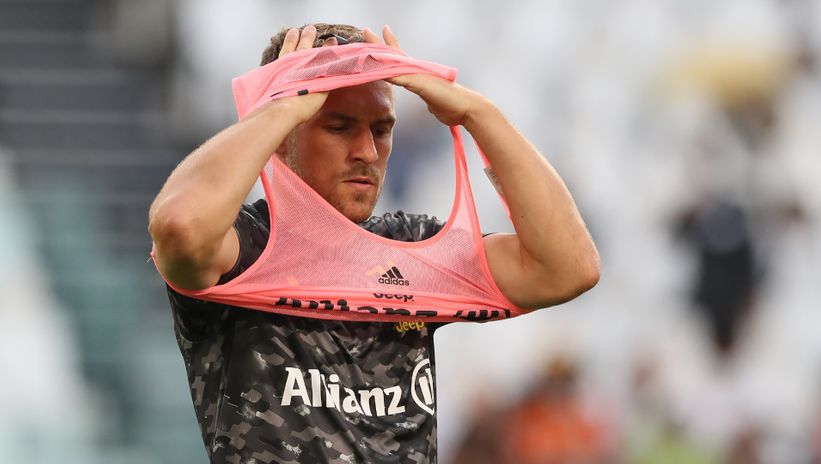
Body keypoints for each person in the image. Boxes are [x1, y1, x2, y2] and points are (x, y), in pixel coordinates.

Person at [148, 23, 599, 463]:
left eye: (381, 129)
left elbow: (567, 268)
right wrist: (279, 109)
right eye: (340, 127)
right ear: (284, 135)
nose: (367, 151)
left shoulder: (412, 246)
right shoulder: (245, 247)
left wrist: (478, 114)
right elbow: (178, 227)